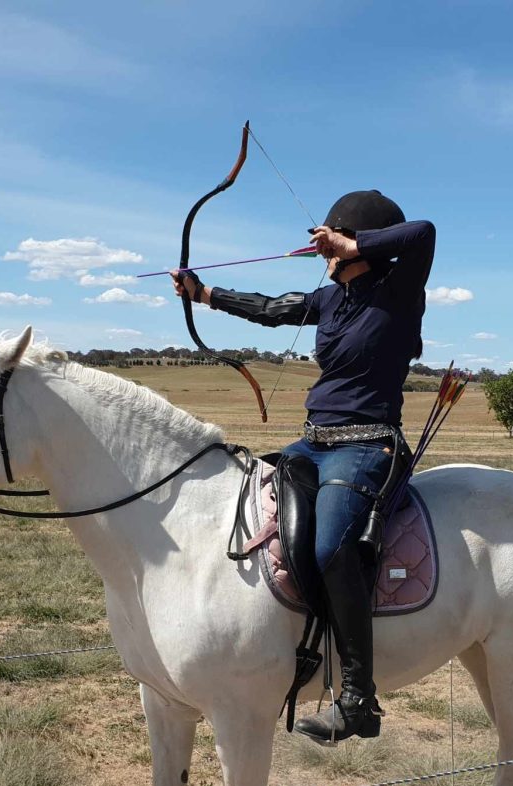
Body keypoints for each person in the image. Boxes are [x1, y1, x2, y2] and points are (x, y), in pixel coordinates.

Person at [171, 190, 434, 743]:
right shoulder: (330, 299)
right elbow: (273, 310)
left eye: (333, 242)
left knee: (332, 546)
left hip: (368, 446)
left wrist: (349, 240)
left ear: (354, 241)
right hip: (311, 444)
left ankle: (359, 701)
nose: (325, 252)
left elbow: (424, 232)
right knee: (249, 513)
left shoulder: (399, 293)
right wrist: (205, 294)